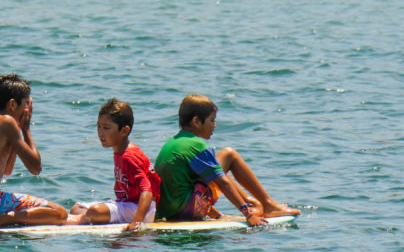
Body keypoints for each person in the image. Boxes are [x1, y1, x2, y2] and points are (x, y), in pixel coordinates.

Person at [154, 94, 300, 226]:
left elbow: (183, 188)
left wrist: (218, 216)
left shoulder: (173, 142)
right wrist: (247, 215)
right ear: (196, 122)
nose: (214, 125)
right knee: (229, 155)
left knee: (215, 168)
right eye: (212, 120)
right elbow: (222, 183)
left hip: (170, 212)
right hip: (186, 211)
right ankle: (267, 205)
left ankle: (252, 203)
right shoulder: (197, 145)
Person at [0, 74, 68, 230]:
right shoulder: (7, 122)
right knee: (59, 213)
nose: (27, 110)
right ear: (12, 105)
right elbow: (36, 168)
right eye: (26, 105)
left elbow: (7, 170)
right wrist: (26, 130)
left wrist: (16, 135)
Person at [67, 98, 161, 231]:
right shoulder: (119, 151)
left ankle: (76, 221)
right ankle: (86, 218)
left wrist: (137, 222)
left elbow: (147, 192)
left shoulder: (129, 156)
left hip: (140, 209)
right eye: (98, 126)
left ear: (124, 131)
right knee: (76, 208)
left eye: (106, 128)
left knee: (94, 212)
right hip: (126, 204)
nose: (100, 133)